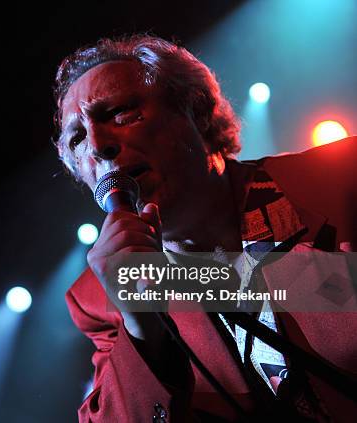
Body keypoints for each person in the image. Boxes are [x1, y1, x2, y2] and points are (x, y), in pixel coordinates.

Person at [53, 34, 357, 422]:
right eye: (76, 138)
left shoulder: (341, 182)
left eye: (120, 113)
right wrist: (143, 328)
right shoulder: (98, 299)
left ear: (196, 110)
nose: (97, 144)